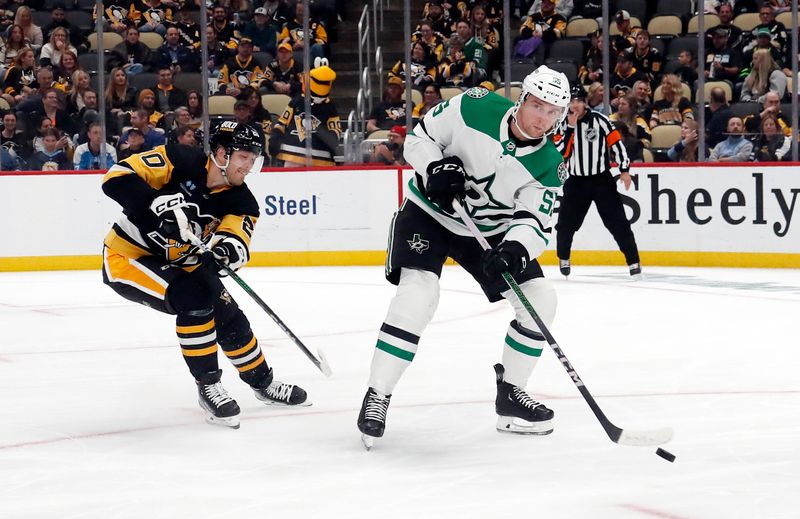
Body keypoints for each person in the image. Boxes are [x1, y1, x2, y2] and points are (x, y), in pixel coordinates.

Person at [357, 65, 571, 447]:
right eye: (537, 105)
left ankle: (511, 394)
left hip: (486, 234)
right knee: (418, 296)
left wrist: (516, 250)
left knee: (540, 298)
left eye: (553, 111)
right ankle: (377, 394)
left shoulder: (550, 165)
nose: (543, 118)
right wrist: (435, 167)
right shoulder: (476, 106)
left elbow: (535, 221)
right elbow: (420, 139)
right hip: (430, 213)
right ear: (522, 100)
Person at [100, 121, 309, 429]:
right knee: (195, 299)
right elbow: (115, 178)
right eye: (243, 158)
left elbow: (235, 240)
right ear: (222, 153)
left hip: (183, 261)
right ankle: (208, 385)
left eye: (253, 160)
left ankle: (262, 383)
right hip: (129, 256)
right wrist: (154, 205)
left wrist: (224, 254)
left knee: (228, 313)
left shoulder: (242, 201)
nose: (248, 167)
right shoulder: (180, 160)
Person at [553, 84, 641, 278]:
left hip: (601, 180)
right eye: (571, 101)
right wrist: (570, 128)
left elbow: (616, 144)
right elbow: (560, 153)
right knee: (566, 224)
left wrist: (624, 169)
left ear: (585, 103)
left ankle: (634, 261)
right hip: (576, 181)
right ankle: (563, 257)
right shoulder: (562, 123)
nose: (575, 105)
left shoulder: (600, 120)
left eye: (579, 101)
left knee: (618, 222)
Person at [269, 62, 341, 166]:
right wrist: (276, 135)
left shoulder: (330, 106)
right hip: (293, 151)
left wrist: (324, 134)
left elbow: (335, 131)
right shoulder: (297, 100)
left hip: (320, 155)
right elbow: (282, 122)